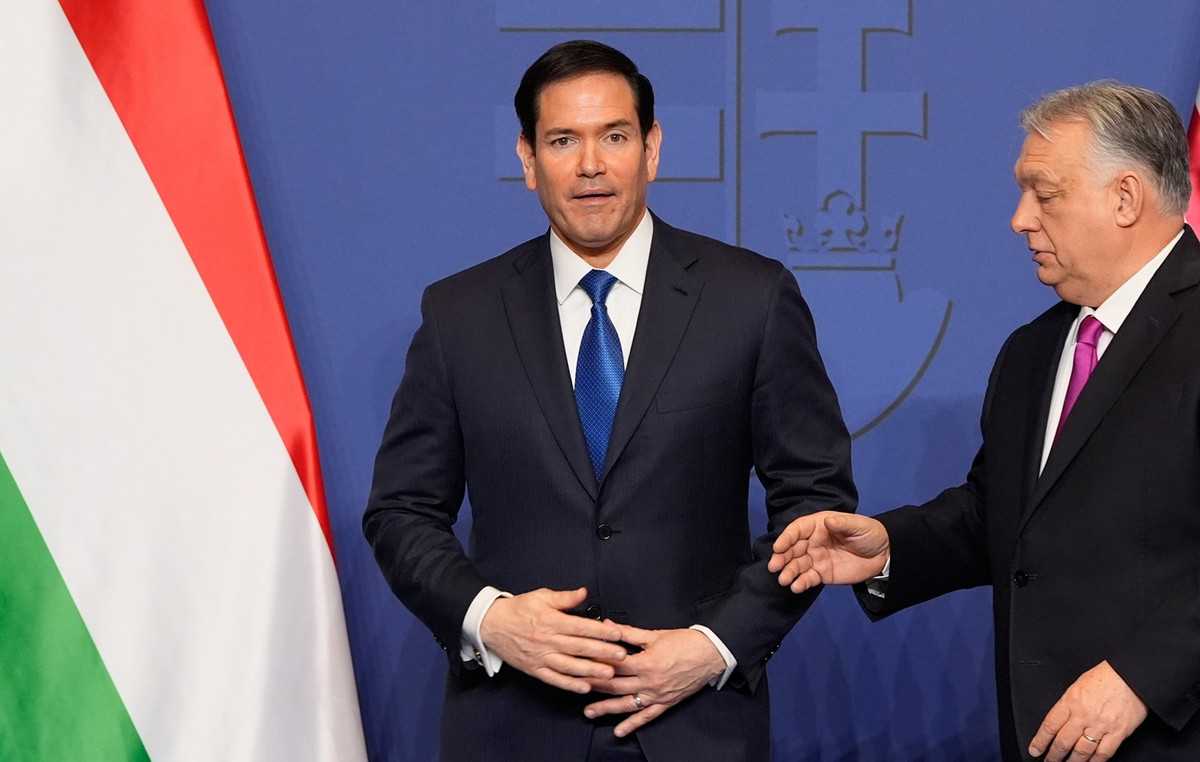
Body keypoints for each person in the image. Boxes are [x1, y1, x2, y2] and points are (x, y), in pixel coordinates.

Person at [363, 39, 855, 762]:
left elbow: (814, 502)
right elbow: (401, 511)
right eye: (563, 140)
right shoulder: (459, 314)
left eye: (614, 137)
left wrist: (715, 646)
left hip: (696, 727)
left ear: (651, 149)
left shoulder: (752, 298)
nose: (591, 164)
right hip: (513, 726)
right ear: (528, 159)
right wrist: (489, 619)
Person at [769, 80, 1200, 761]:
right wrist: (888, 548)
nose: (1020, 219)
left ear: (1125, 197)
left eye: (1044, 194)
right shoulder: (1033, 350)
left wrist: (1139, 679)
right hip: (1040, 736)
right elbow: (999, 513)